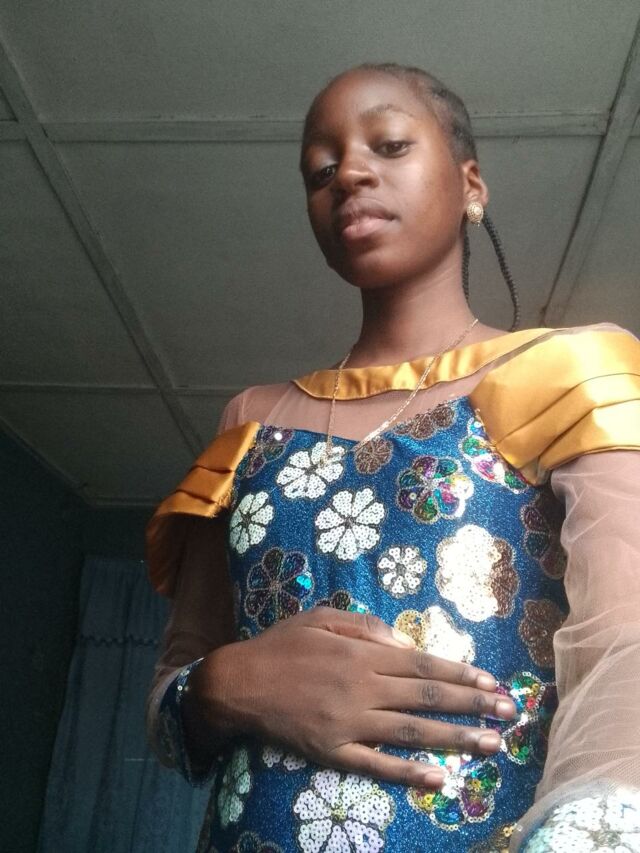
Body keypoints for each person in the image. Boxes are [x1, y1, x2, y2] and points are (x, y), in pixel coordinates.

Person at [145, 63, 640, 852]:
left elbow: (627, 645)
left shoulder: (568, 371)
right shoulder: (248, 421)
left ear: (471, 185)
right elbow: (174, 700)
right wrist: (227, 682)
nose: (349, 174)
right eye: (321, 170)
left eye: (390, 144)